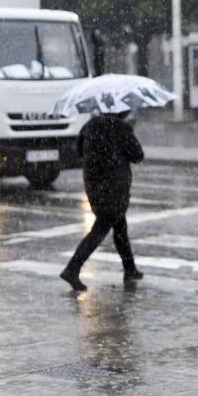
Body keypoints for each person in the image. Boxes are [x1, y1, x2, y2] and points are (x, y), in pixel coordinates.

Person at [60, 109, 144, 291]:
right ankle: (71, 269)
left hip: (94, 185)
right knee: (100, 229)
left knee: (120, 226)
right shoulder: (122, 128)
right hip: (114, 187)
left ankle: (130, 269)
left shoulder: (90, 126)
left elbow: (79, 151)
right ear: (123, 111)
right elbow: (138, 156)